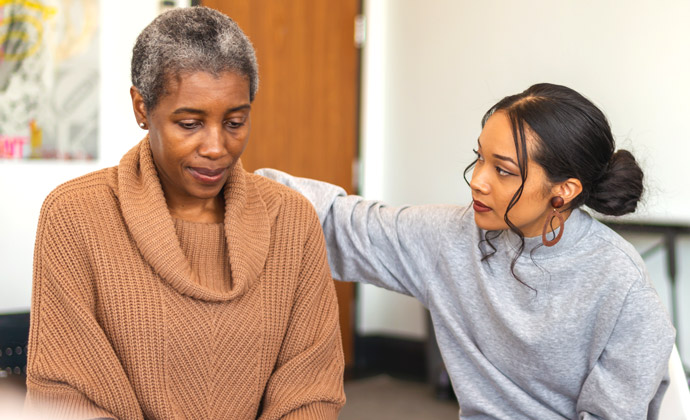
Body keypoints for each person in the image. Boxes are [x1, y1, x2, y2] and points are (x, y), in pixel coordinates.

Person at [257, 83, 676, 419]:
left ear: (564, 192)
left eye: (503, 171)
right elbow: (338, 220)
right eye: (479, 159)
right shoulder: (453, 238)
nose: (478, 181)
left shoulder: (621, 284)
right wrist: (233, 183)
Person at [25, 7, 345, 420]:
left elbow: (311, 388)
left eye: (235, 121)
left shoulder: (292, 220)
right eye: (190, 123)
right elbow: (64, 390)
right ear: (142, 108)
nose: (216, 147)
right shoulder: (76, 215)